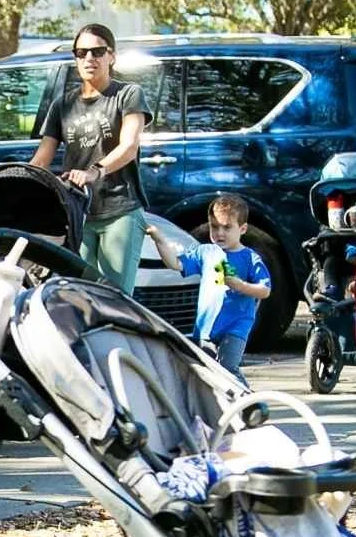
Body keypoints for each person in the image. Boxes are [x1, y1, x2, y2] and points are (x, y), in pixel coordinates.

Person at [30, 23, 149, 293]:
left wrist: (94, 171)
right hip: (77, 214)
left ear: (112, 56)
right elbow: (41, 160)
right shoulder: (63, 104)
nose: (89, 59)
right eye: (81, 52)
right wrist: (20, 186)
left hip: (119, 210)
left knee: (114, 299)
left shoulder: (128, 95)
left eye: (97, 52)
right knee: (78, 297)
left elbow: (128, 146)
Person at [144, 193, 270, 373]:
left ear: (242, 229)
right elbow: (175, 263)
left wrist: (241, 286)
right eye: (214, 227)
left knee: (228, 369)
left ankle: (249, 400)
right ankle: (216, 401)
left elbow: (265, 290)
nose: (219, 233)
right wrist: (159, 240)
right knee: (204, 371)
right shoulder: (205, 252)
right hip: (206, 326)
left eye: (227, 228)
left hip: (236, 325)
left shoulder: (249, 257)